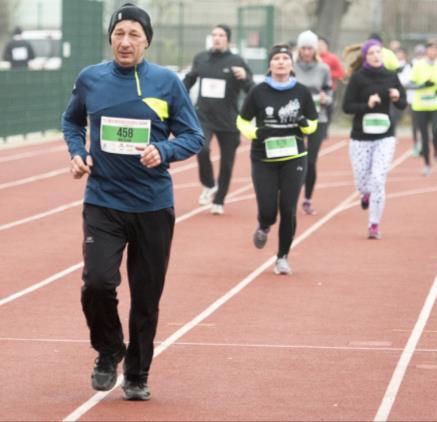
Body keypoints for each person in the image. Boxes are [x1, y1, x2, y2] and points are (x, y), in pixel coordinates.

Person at [62, 3, 204, 401]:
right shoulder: (90, 79)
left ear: (146, 41)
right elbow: (71, 120)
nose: (125, 42)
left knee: (146, 296)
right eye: (119, 33)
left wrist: (164, 150)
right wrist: (77, 151)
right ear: (110, 38)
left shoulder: (166, 82)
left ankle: (138, 373)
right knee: (97, 283)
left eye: (134, 35)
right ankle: (109, 350)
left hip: (152, 206)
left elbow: (193, 135)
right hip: (103, 200)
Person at [236, 44, 318, 275]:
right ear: (270, 64)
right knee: (269, 208)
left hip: (294, 157)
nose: (281, 62)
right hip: (263, 158)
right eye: (276, 59)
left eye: (285, 58)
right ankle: (264, 224)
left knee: (288, 207)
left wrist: (305, 125)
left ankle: (282, 257)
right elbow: (242, 121)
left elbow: (313, 122)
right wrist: (255, 133)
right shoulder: (258, 91)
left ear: (291, 64)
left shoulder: (301, 92)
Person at [184, 24, 254, 215]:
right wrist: (180, 101)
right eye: (214, 34)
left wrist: (245, 77)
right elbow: (188, 81)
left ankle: (220, 200)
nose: (216, 38)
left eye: (221, 35)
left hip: (229, 119)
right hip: (204, 116)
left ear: (228, 40)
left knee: (227, 162)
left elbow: (251, 89)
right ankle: (208, 184)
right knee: (202, 148)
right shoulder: (201, 58)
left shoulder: (237, 61)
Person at [342, 39, 406, 240]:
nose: (376, 56)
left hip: (384, 136)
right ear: (365, 57)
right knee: (363, 182)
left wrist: (397, 97)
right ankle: (365, 194)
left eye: (378, 52)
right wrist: (367, 105)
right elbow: (347, 107)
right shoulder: (358, 78)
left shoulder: (391, 76)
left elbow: (403, 103)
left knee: (378, 179)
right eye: (371, 53)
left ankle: (373, 224)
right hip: (361, 137)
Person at [293, 30, 333, 215]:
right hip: (294, 119)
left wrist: (326, 98)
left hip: (318, 118)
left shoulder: (323, 68)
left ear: (315, 49)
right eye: (304, 48)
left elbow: (330, 93)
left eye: (310, 48)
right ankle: (291, 196)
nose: (307, 51)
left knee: (310, 160)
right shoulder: (292, 67)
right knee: (294, 159)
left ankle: (307, 198)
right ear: (299, 49)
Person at [409, 38, 437, 176]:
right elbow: (409, 84)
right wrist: (422, 86)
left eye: (436, 49)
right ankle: (427, 164)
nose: (433, 51)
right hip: (421, 106)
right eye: (430, 48)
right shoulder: (418, 65)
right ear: (426, 50)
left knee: (435, 130)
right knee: (423, 135)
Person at [318, 36, 345, 123]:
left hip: (329, 90)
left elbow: (341, 73)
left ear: (327, 46)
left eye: (322, 45)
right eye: (318, 44)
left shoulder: (332, 58)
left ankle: (325, 129)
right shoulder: (312, 59)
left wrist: (328, 74)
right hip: (314, 90)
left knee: (328, 110)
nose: (320, 46)